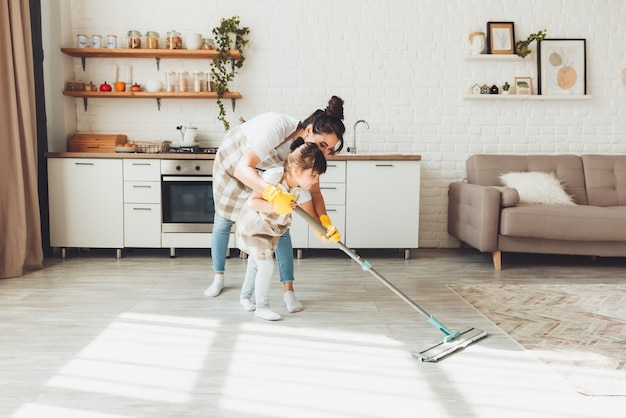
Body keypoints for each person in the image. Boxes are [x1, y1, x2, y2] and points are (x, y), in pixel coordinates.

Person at [205, 96, 346, 313]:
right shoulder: (276, 126)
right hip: (235, 161)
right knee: (224, 220)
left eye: (330, 150)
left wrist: (323, 225)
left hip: (264, 172)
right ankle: (218, 277)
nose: (325, 153)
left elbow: (314, 193)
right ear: (309, 131)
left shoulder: (305, 156)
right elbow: (243, 170)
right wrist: (272, 194)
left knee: (279, 226)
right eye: (323, 145)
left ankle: (288, 291)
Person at [238, 140, 327, 320]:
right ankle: (261, 307)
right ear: (296, 170)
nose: (316, 181)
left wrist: (325, 232)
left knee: (256, 264)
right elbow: (253, 202)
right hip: (254, 227)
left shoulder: (301, 191)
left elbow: (312, 219)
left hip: (271, 231)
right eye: (314, 175)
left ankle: (244, 297)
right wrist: (276, 206)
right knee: (266, 265)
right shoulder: (273, 177)